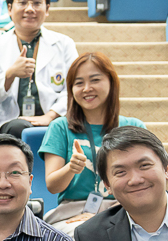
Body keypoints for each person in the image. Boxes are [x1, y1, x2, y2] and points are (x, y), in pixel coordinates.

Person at [40, 53, 145, 230]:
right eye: (79, 83)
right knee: (86, 235)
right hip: (73, 212)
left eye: (95, 80)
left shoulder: (133, 126)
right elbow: (52, 185)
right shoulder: (60, 127)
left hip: (123, 208)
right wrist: (70, 168)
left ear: (111, 82)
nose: (87, 88)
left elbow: (145, 177)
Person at [0, 0, 78, 131]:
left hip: (56, 121)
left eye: (37, 3)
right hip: (12, 123)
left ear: (47, 9)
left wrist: (50, 116)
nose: (30, 9)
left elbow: (74, 88)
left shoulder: (65, 44)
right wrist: (10, 75)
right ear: (10, 9)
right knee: (20, 128)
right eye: (23, 2)